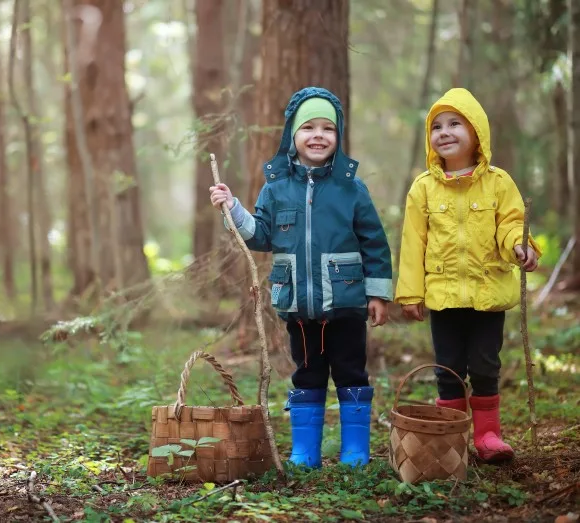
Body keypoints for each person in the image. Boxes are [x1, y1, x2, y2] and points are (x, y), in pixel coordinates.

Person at [209, 87, 393, 468]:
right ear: (292, 135)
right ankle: (305, 451)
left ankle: (355, 450)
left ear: (338, 136)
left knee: (351, 373)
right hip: (299, 306)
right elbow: (260, 234)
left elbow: (374, 241)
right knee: (306, 375)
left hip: (346, 304)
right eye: (308, 127)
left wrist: (377, 294)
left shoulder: (351, 189)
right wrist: (233, 207)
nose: (318, 135)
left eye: (328, 128)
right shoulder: (276, 189)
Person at [395, 87, 541, 462]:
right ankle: (452, 435)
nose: (444, 132)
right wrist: (410, 294)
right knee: (448, 369)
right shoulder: (423, 189)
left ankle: (488, 435)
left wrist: (520, 247)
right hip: (444, 295)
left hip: (487, 292)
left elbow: (510, 223)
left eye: (455, 124)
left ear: (477, 132)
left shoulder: (498, 182)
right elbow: (413, 244)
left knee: (485, 365)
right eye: (436, 126)